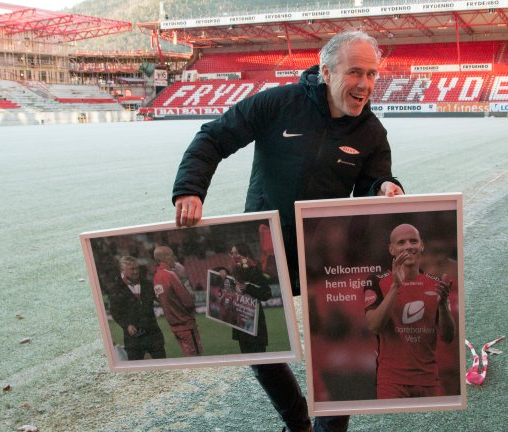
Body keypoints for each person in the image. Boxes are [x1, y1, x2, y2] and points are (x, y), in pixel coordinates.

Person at [172, 30, 404, 432]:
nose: (365, 85)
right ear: (326, 72)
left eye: (371, 74)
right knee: (250, 337)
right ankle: (297, 421)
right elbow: (213, 137)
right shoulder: (279, 103)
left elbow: (374, 180)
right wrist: (190, 189)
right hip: (264, 245)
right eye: (355, 73)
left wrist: (385, 186)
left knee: (341, 347)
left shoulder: (370, 131)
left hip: (329, 252)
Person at [363, 224, 456, 399]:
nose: (408, 246)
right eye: (401, 242)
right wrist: (395, 287)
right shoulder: (377, 280)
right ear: (391, 249)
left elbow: (447, 337)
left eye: (413, 241)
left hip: (429, 379)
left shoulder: (436, 283)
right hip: (391, 381)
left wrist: (443, 306)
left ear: (422, 245)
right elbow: (374, 326)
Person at [105, 256, 166, 360]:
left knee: (162, 362)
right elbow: (115, 312)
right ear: (123, 270)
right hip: (134, 337)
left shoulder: (146, 283)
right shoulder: (115, 288)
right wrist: (126, 325)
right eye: (132, 269)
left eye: (137, 268)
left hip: (153, 332)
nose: (136, 271)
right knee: (137, 366)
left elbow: (161, 299)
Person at [152, 245, 203, 356]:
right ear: (165, 258)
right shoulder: (170, 275)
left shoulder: (156, 277)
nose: (174, 258)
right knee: (196, 360)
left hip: (174, 327)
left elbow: (161, 300)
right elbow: (188, 301)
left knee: (188, 356)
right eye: (172, 255)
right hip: (186, 325)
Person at [229, 243, 272, 354]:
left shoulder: (254, 270)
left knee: (260, 360)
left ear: (245, 255)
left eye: (236, 253)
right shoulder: (234, 273)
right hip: (241, 323)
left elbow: (266, 293)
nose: (234, 256)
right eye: (232, 253)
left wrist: (247, 288)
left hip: (255, 323)